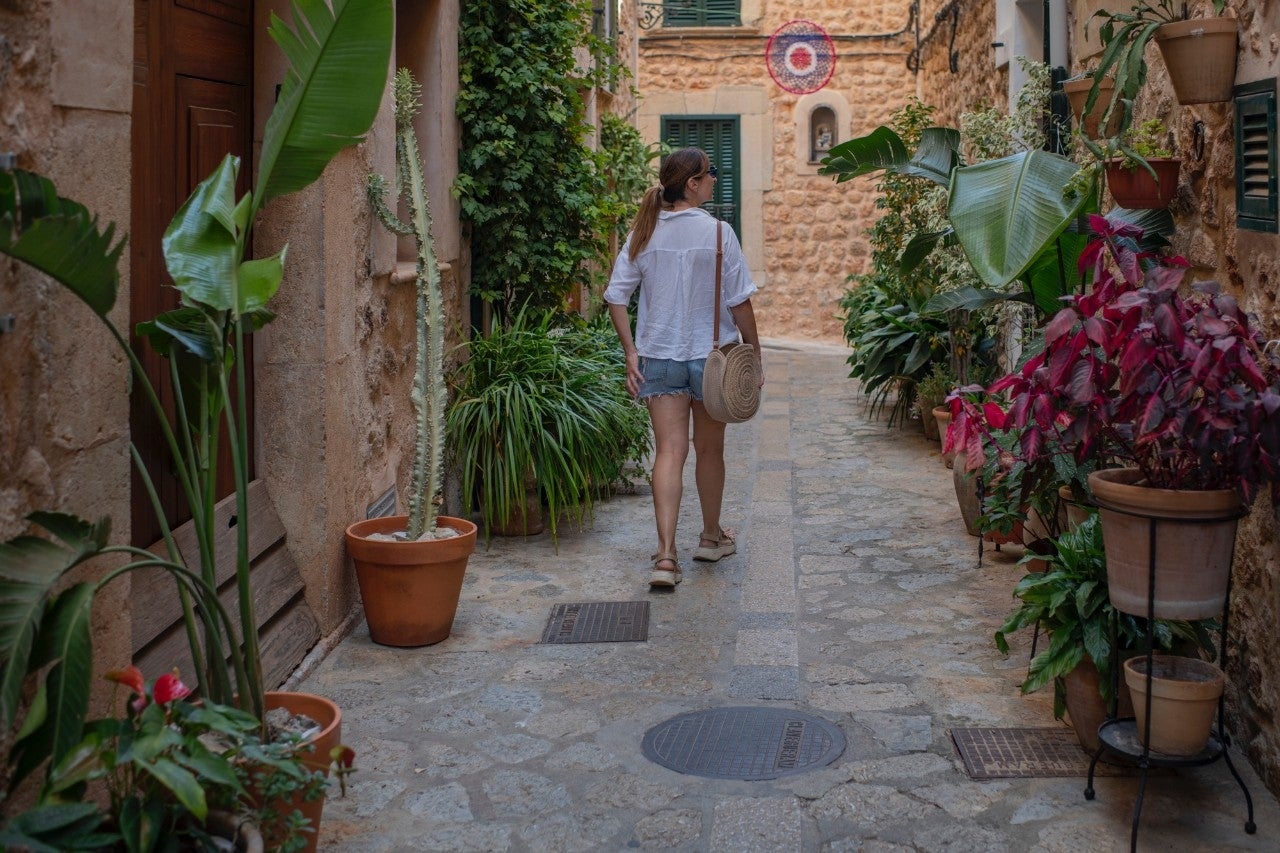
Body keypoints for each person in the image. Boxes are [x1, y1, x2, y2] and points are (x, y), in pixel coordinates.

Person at [604, 147, 761, 589]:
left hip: (659, 356)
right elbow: (740, 302)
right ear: (692, 184)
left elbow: (616, 297)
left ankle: (666, 557)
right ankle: (710, 538)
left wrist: (631, 352)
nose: (714, 180)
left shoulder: (643, 232)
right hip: (712, 359)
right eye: (710, 174)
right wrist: (754, 352)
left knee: (669, 452)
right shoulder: (719, 233)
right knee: (709, 451)